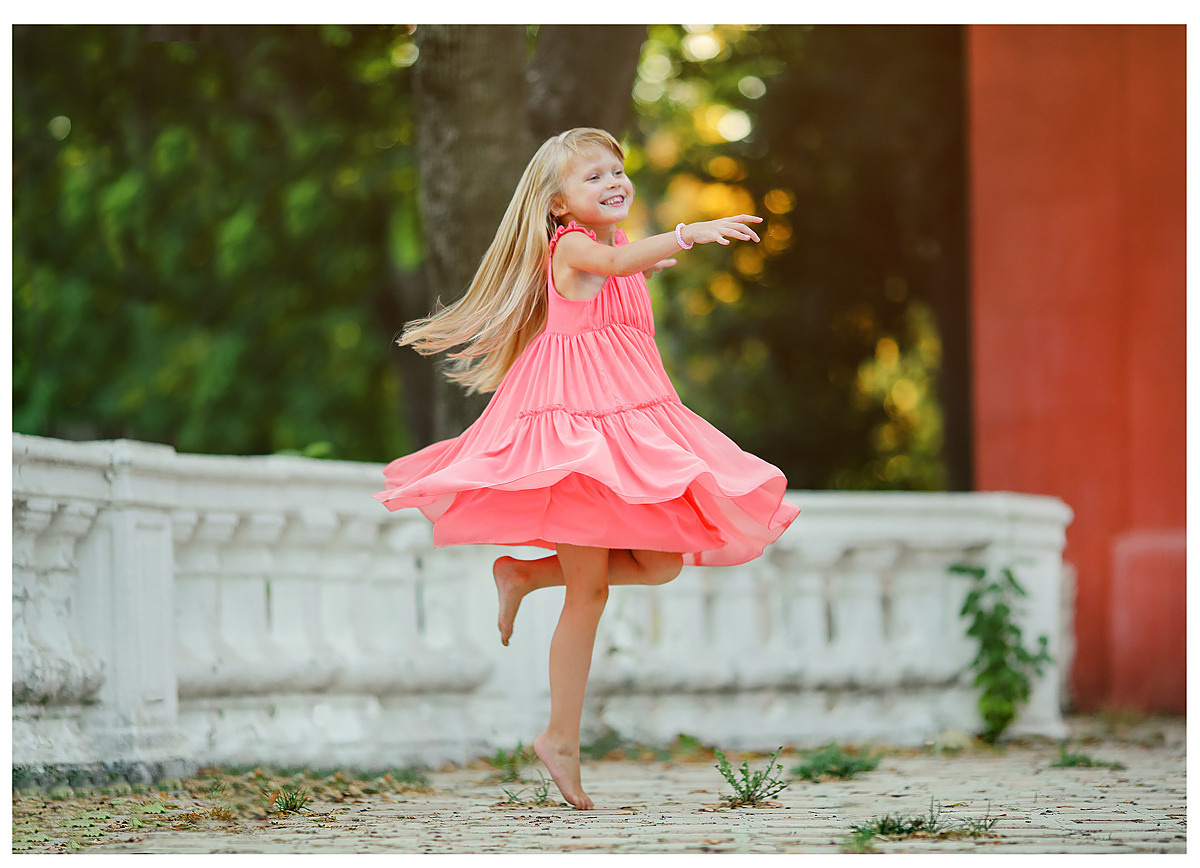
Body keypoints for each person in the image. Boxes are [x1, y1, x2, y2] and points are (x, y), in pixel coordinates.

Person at [374, 128, 799, 809]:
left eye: (617, 170)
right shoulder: (572, 248)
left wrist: (656, 253)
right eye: (593, 176)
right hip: (574, 439)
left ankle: (523, 573)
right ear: (560, 206)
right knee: (590, 593)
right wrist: (692, 232)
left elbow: (630, 269)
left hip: (623, 426)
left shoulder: (610, 251)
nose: (613, 182)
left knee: (660, 561)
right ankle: (559, 740)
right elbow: (630, 264)